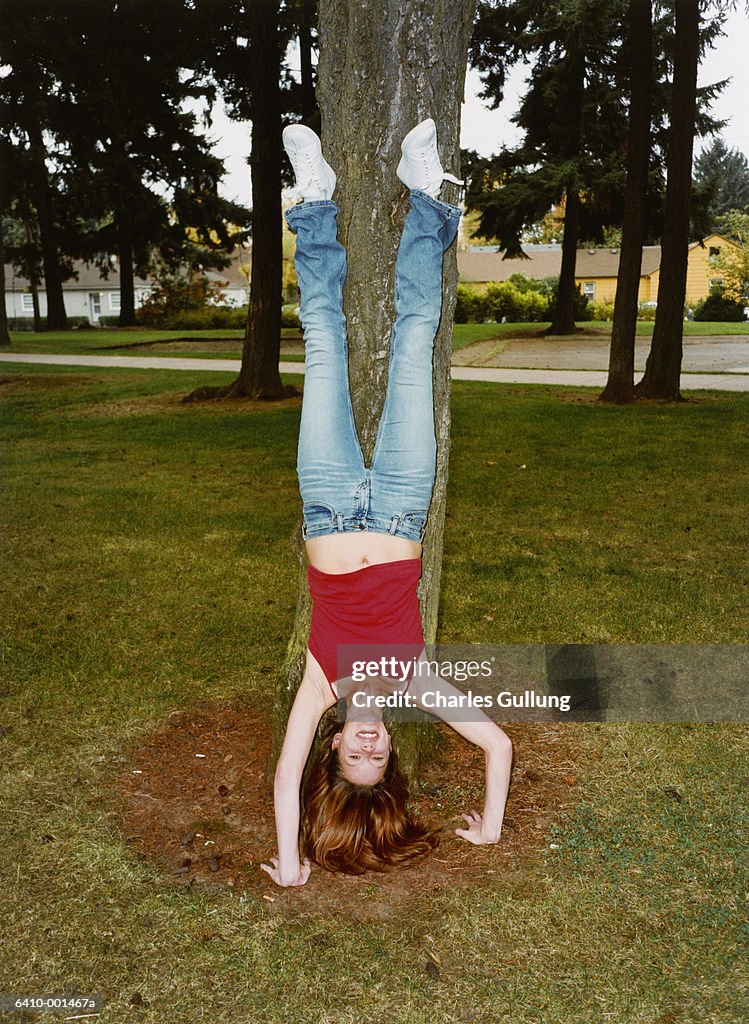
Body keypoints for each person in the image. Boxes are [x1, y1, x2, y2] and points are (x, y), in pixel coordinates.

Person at [261, 119, 513, 887]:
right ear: (388, 748)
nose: (367, 748)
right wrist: (491, 828)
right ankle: (424, 195)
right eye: (379, 757)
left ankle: (314, 205)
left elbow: (281, 778)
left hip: (329, 503)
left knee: (322, 337)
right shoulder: (413, 683)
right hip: (402, 506)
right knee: (415, 339)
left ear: (334, 745)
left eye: (353, 757)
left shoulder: (319, 685)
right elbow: (497, 744)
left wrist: (295, 863)